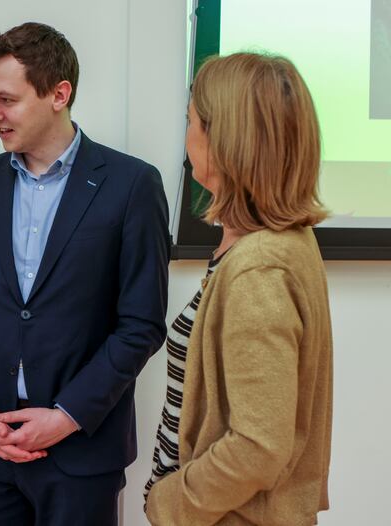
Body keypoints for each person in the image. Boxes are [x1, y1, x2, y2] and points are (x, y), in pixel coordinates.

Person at [0, 22, 170, 526]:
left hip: (81, 456)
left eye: (6, 100)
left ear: (59, 94)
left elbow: (141, 324)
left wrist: (65, 418)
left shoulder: (131, 185)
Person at [145, 52, 333, 525]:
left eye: (189, 122)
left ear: (224, 142)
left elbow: (258, 446)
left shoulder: (259, 270)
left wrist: (169, 502)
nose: (185, 137)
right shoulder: (272, 243)